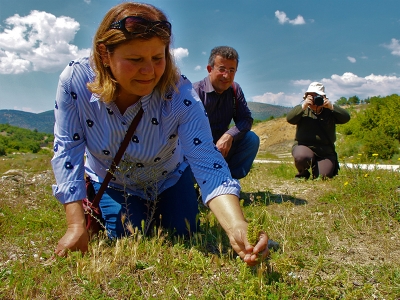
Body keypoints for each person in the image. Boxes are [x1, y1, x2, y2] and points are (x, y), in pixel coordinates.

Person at [51, 2, 269, 266]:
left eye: (158, 58)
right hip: (116, 181)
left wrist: (236, 225)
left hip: (170, 177)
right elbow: (67, 150)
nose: (150, 72)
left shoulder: (180, 93)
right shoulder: (75, 80)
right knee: (127, 235)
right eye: (135, 60)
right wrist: (75, 225)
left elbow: (206, 162)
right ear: (104, 54)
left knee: (184, 231)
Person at [192, 46, 259, 179]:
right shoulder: (194, 92)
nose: (226, 75)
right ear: (210, 69)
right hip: (196, 150)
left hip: (222, 148)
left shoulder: (235, 90)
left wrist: (229, 136)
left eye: (231, 70)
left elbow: (246, 119)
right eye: (221, 69)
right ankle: (196, 181)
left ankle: (227, 181)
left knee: (251, 139)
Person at [286, 82, 350, 179]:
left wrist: (331, 107)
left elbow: (346, 118)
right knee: (301, 157)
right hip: (304, 146)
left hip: (325, 151)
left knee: (324, 177)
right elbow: (290, 119)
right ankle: (302, 174)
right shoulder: (303, 111)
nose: (315, 99)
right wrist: (304, 105)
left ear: (324, 97)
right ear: (306, 97)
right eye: (311, 96)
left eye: (317, 96)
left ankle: (318, 170)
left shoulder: (330, 112)